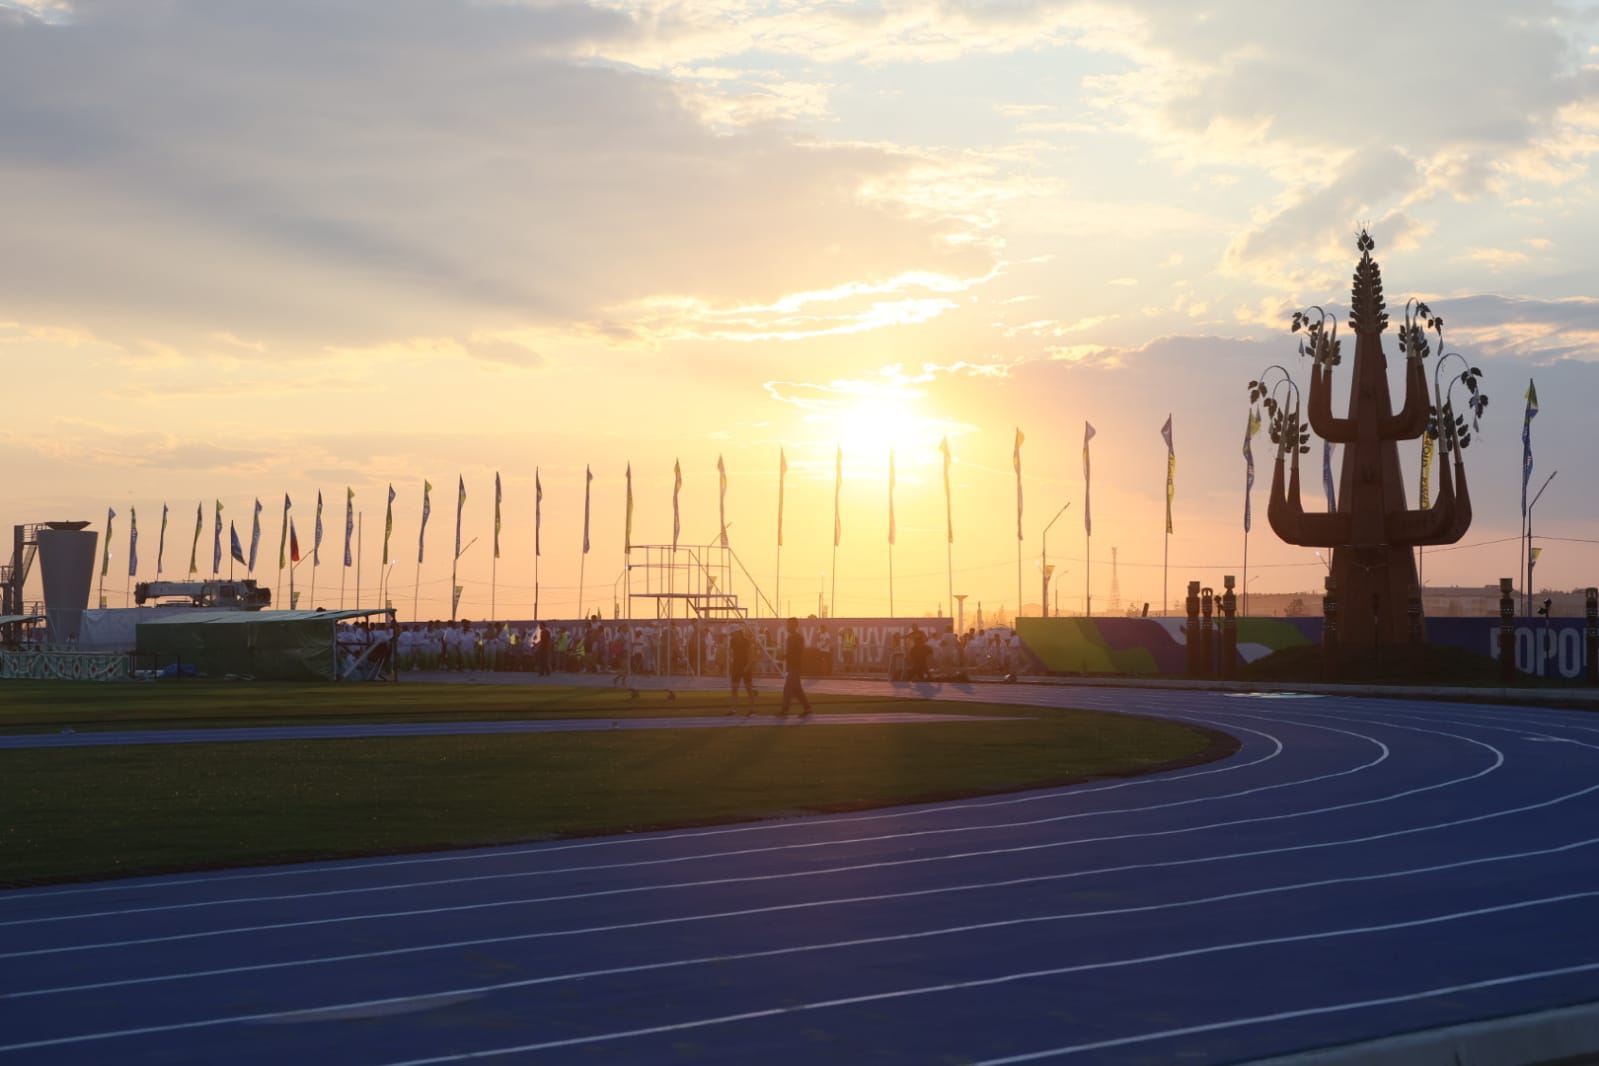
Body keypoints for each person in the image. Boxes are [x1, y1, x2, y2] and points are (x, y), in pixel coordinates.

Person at [780, 617, 811, 716]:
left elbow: (796, 652)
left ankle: (785, 709)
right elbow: (794, 652)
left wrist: (785, 656)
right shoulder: (793, 637)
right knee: (797, 689)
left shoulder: (796, 638)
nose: (787, 626)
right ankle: (807, 708)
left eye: (789, 624)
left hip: (794, 666)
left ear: (794, 625)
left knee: (788, 688)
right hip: (793, 666)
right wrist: (785, 656)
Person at [728, 626, 756, 713]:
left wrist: (748, 665)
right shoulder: (732, 641)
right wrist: (731, 661)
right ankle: (733, 708)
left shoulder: (746, 641)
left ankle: (752, 708)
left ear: (739, 633)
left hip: (745, 666)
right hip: (736, 666)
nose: (733, 635)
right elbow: (731, 652)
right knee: (734, 688)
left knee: (748, 688)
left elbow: (750, 654)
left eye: (734, 633)